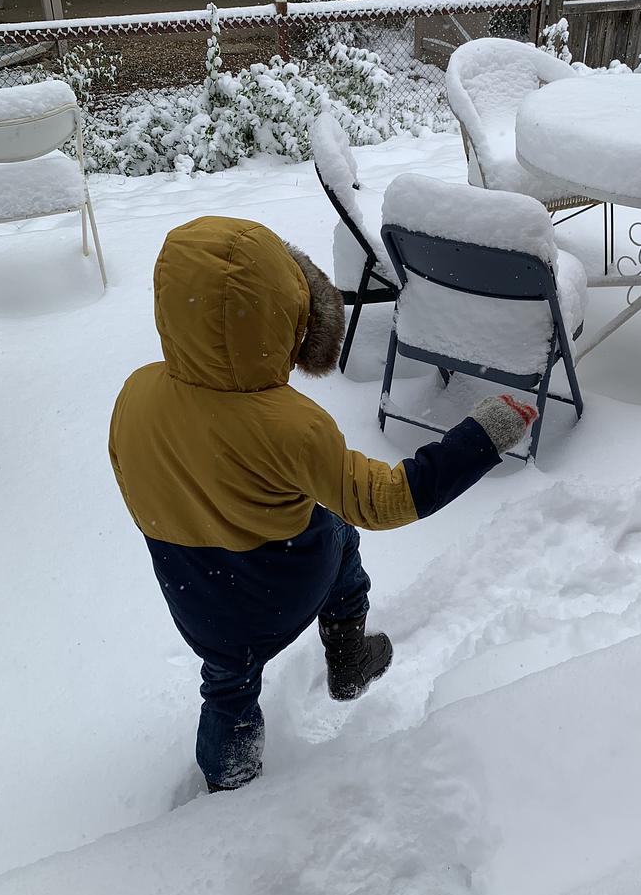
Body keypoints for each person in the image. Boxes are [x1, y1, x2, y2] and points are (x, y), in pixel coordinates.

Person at [109, 216, 538, 792]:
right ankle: (349, 655)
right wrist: (483, 434)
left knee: (227, 683)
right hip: (281, 585)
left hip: (197, 597)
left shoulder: (135, 393)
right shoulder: (293, 425)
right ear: (281, 314)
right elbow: (387, 498)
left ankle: (229, 782)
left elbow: (137, 483)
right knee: (338, 533)